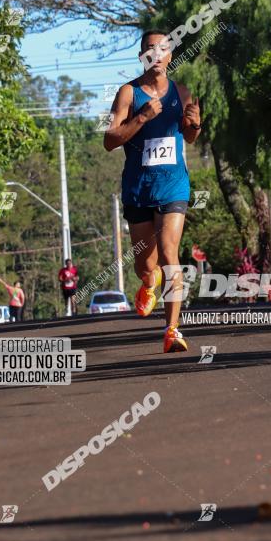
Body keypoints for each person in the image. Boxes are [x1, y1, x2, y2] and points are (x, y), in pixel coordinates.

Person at [103, 30, 201, 353]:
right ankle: (149, 282)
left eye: (163, 49)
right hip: (139, 188)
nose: (156, 54)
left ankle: (172, 330)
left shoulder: (182, 92)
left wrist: (194, 124)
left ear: (170, 56)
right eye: (149, 49)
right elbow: (110, 140)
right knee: (145, 266)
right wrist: (143, 117)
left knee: (170, 252)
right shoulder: (128, 94)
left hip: (173, 185)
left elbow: (189, 137)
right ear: (141, 56)